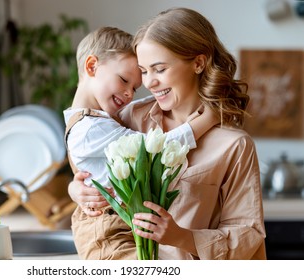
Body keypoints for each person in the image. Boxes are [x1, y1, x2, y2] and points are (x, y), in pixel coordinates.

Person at [68, 7, 266, 260]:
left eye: (159, 69)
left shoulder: (234, 146)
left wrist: (182, 237)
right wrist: (76, 190)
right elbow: (89, 159)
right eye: (144, 71)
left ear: (198, 63)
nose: (148, 83)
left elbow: (248, 233)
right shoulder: (129, 118)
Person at [64, 26, 219, 260]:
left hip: (121, 229)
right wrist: (207, 119)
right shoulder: (89, 129)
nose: (128, 94)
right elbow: (154, 149)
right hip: (106, 235)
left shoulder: (101, 118)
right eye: (124, 80)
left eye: (134, 88)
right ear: (91, 66)